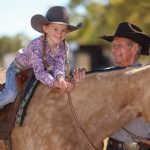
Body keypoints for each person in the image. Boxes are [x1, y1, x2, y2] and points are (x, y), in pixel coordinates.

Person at [73, 22, 150, 150]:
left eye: (119, 45)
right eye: (113, 46)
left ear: (135, 48)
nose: (114, 50)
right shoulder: (105, 75)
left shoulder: (147, 79)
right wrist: (80, 78)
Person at [0, 6, 82, 108]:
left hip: (40, 70)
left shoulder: (64, 47)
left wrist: (60, 79)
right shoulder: (36, 45)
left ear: (67, 32)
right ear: (46, 28)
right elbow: (39, 72)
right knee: (10, 95)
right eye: (55, 29)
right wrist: (55, 83)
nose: (59, 34)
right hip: (18, 68)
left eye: (63, 30)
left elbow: (59, 65)